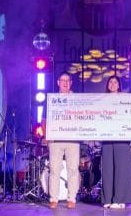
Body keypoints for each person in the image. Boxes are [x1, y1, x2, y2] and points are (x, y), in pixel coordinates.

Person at [47, 72, 80, 209]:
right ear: (58, 83)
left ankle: (71, 198)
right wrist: (47, 136)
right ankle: (53, 198)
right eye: (62, 80)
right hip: (56, 139)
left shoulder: (77, 100)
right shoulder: (52, 99)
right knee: (54, 170)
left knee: (73, 169)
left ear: (71, 83)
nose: (65, 83)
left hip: (73, 139)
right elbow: (44, 120)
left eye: (67, 80)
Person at [101, 75, 131, 209]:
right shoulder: (101, 99)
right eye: (111, 82)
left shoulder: (125, 98)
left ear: (119, 85)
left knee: (122, 167)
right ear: (108, 85)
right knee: (107, 167)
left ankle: (120, 199)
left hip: (122, 136)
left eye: (115, 82)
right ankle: (108, 198)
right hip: (107, 137)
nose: (113, 84)